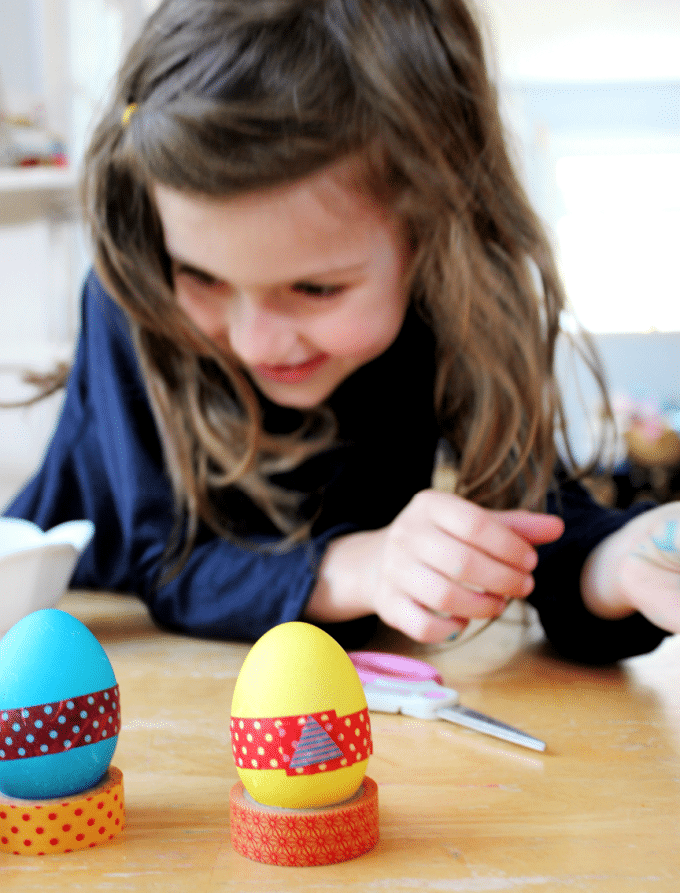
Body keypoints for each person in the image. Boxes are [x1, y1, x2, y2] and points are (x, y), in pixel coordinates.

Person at [4, 0, 679, 663]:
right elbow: (169, 563)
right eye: (202, 276)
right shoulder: (136, 291)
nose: (256, 341)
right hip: (77, 628)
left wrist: (620, 560)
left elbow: (539, 527)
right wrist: (368, 566)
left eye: (315, 289)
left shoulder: (456, 302)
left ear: (433, 236)